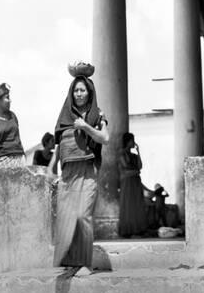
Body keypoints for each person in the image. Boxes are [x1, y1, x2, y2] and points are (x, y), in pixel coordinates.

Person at [48, 69, 109, 277]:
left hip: (87, 172)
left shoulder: (98, 115)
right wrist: (51, 171)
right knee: (67, 217)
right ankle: (71, 261)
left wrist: (86, 127)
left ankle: (84, 262)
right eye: (76, 90)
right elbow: (59, 147)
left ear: (90, 93)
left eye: (82, 90)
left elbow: (105, 138)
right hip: (67, 174)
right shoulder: (65, 116)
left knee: (83, 215)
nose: (79, 94)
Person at [118, 132, 148, 237]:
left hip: (135, 181)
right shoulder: (121, 154)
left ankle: (138, 229)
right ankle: (127, 230)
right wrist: (135, 172)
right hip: (127, 182)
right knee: (128, 205)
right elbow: (125, 166)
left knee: (137, 204)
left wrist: (138, 151)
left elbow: (140, 166)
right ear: (127, 141)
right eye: (131, 140)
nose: (133, 142)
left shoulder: (134, 155)